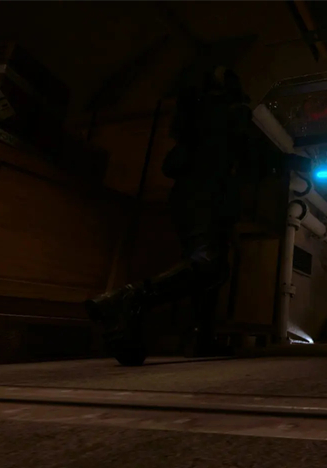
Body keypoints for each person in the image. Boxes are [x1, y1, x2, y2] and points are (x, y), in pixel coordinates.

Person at [85, 66, 255, 366]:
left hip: (186, 198)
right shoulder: (231, 112)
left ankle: (201, 339)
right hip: (209, 195)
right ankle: (129, 298)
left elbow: (173, 165)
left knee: (207, 266)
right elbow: (248, 155)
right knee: (210, 266)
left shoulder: (192, 113)